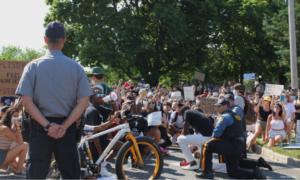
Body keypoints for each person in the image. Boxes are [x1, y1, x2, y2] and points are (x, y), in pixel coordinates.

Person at [15, 21, 94, 179]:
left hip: (39, 129)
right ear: (64, 40)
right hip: (67, 130)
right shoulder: (76, 68)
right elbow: (83, 102)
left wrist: (48, 126)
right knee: (70, 175)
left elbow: (26, 101)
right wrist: (63, 127)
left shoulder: (32, 67)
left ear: (45, 40)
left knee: (36, 175)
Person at [196, 99, 265, 179]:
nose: (217, 109)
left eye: (219, 106)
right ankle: (254, 175)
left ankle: (207, 172)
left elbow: (216, 134)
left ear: (225, 106)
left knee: (207, 145)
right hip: (238, 146)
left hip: (231, 145)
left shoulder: (224, 117)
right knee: (233, 172)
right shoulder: (236, 115)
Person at [84, 86, 122, 177]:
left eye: (102, 94)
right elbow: (95, 134)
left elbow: (114, 113)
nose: (101, 96)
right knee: (96, 173)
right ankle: (99, 166)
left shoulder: (100, 108)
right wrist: (100, 152)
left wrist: (113, 104)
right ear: (92, 96)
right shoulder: (92, 111)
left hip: (103, 140)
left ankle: (104, 164)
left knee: (122, 146)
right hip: (94, 144)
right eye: (98, 94)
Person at [177, 106, 213, 170]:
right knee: (205, 165)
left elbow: (185, 132)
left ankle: (192, 163)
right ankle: (225, 167)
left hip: (205, 138)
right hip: (209, 138)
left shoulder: (187, 112)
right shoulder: (198, 113)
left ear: (183, 113)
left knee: (180, 139)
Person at [0, 108, 28, 177]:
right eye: (14, 116)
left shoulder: (8, 128)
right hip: (1, 155)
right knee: (25, 145)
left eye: (17, 116)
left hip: (3, 154)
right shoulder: (5, 128)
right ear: (9, 117)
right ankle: (18, 172)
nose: (16, 118)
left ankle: (14, 169)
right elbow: (21, 142)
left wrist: (15, 127)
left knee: (25, 170)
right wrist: (18, 127)